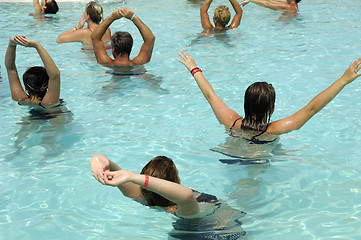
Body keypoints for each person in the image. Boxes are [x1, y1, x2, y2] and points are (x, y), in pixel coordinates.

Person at [177, 51, 361, 137]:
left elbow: (211, 96)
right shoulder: (274, 130)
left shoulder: (231, 121)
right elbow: (312, 108)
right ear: (271, 107)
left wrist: (194, 68)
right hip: (257, 165)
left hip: (228, 159)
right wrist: (343, 80)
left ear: (245, 103)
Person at [90, 154, 246, 238]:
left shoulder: (144, 197)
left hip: (218, 228)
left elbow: (186, 195)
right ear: (175, 181)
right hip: (218, 231)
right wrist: (101, 165)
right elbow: (185, 194)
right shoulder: (181, 206)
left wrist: (132, 176)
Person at [5, 35, 61, 109]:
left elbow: (10, 68)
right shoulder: (49, 102)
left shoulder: (21, 99)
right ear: (48, 84)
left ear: (26, 87)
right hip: (54, 117)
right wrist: (37, 45)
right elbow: (55, 75)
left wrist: (12, 44)